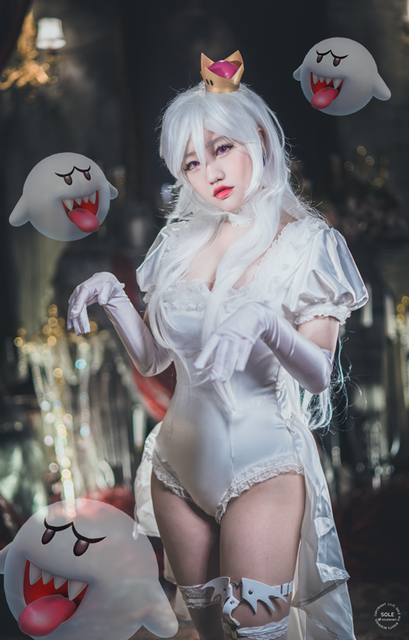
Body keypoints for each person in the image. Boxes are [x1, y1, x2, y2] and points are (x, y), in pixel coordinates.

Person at [68, 51, 367, 640]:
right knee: (207, 634)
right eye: (191, 162)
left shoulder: (310, 245)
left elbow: (316, 375)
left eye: (221, 148)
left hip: (263, 467)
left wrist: (266, 321)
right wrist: (114, 296)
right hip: (174, 468)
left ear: (259, 138)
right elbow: (155, 359)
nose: (210, 172)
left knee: (255, 630)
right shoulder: (180, 243)